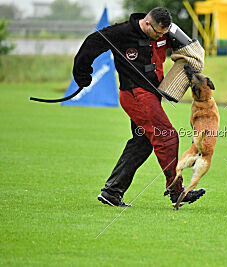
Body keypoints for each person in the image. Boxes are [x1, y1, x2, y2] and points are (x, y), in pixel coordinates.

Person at [72, 7, 205, 207]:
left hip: (151, 95)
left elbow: (189, 47)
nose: (162, 36)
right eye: (158, 33)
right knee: (167, 136)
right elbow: (92, 42)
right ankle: (177, 193)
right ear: (146, 23)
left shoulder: (166, 30)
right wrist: (82, 74)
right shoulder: (121, 32)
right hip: (135, 94)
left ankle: (111, 192)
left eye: (164, 33)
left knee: (142, 142)